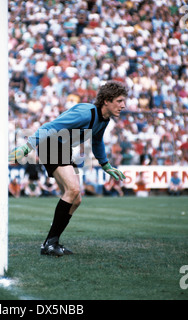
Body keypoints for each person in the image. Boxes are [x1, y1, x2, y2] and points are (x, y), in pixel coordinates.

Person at [9, 80, 127, 256]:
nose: (123, 105)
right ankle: (50, 243)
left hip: (62, 148)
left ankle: (51, 242)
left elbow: (97, 141)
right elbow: (49, 127)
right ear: (106, 101)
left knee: (76, 199)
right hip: (50, 144)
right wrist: (27, 148)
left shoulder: (104, 120)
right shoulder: (85, 113)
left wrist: (106, 165)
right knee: (72, 189)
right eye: (119, 101)